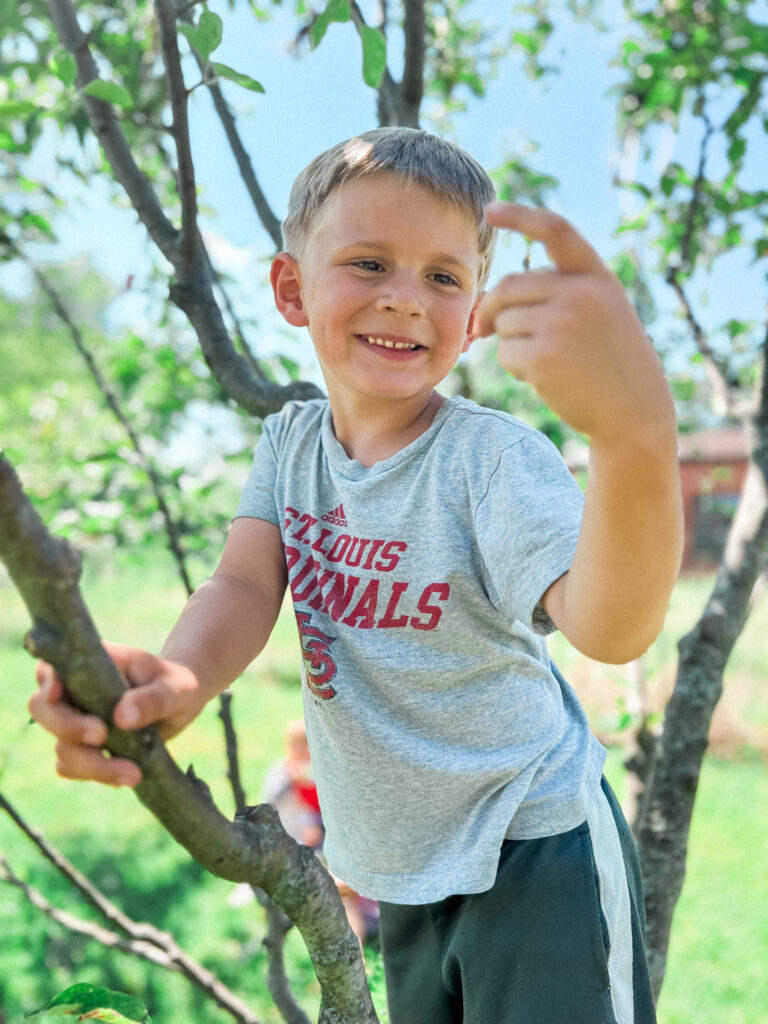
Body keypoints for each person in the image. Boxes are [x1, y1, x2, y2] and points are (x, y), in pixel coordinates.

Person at [30, 127, 683, 1023]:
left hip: (534, 847)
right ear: (292, 289)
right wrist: (178, 679)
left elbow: (611, 629)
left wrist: (634, 437)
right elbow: (246, 587)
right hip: (397, 873)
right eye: (370, 263)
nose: (407, 301)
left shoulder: (490, 460)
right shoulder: (290, 445)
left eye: (444, 278)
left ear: (475, 309)